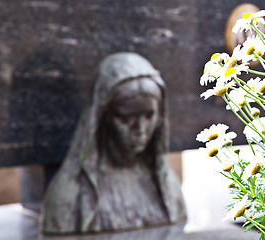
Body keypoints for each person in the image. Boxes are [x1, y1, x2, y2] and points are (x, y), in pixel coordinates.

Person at [41, 52, 186, 234]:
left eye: (149, 116)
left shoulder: (168, 187)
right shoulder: (70, 195)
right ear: (103, 118)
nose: (140, 129)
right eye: (126, 118)